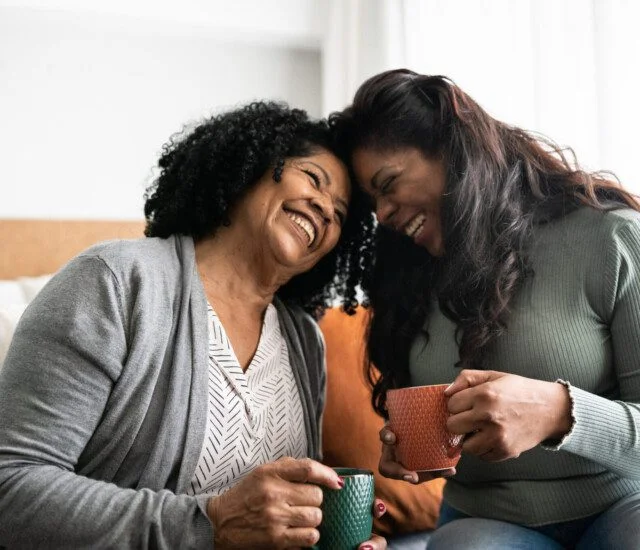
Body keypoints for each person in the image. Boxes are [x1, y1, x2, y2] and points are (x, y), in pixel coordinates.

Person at [0, 101, 387, 549]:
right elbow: (12, 487)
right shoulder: (115, 281)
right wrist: (210, 522)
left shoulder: (304, 341)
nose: (323, 208)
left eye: (339, 215)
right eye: (313, 179)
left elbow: (282, 515)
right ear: (251, 167)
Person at [329, 69, 640, 548]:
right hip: (487, 522)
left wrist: (560, 412)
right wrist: (412, 448)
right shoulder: (408, 278)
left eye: (388, 184)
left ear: (452, 146)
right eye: (373, 204)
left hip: (622, 508)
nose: (383, 214)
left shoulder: (610, 238)